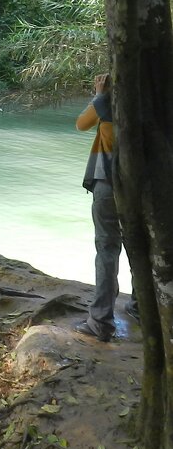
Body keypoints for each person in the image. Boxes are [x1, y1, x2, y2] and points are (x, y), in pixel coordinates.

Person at [74, 72, 131, 342]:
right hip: (144, 188)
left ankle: (101, 321)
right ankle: (143, 308)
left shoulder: (108, 103)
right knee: (140, 247)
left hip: (109, 183)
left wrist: (99, 94)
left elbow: (81, 124)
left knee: (107, 249)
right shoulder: (156, 104)